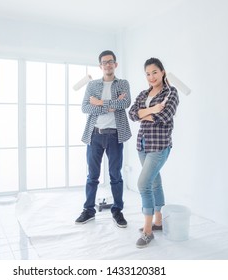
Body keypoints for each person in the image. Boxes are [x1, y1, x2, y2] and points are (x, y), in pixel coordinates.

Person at [75, 50, 132, 228]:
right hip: (95, 135)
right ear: (100, 66)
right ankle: (89, 211)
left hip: (115, 135)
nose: (108, 65)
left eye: (111, 61)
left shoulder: (122, 83)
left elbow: (125, 103)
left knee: (116, 176)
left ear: (115, 64)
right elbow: (85, 107)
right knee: (92, 176)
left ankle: (117, 211)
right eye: (104, 62)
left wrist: (99, 103)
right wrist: (110, 106)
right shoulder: (92, 85)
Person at [128, 57, 179, 248]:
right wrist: (151, 110)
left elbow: (164, 116)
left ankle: (148, 232)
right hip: (142, 144)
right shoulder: (144, 93)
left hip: (160, 145)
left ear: (163, 71)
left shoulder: (171, 92)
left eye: (154, 72)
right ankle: (158, 222)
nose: (151, 77)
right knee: (155, 183)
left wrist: (145, 114)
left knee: (143, 184)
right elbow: (132, 114)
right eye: (148, 74)